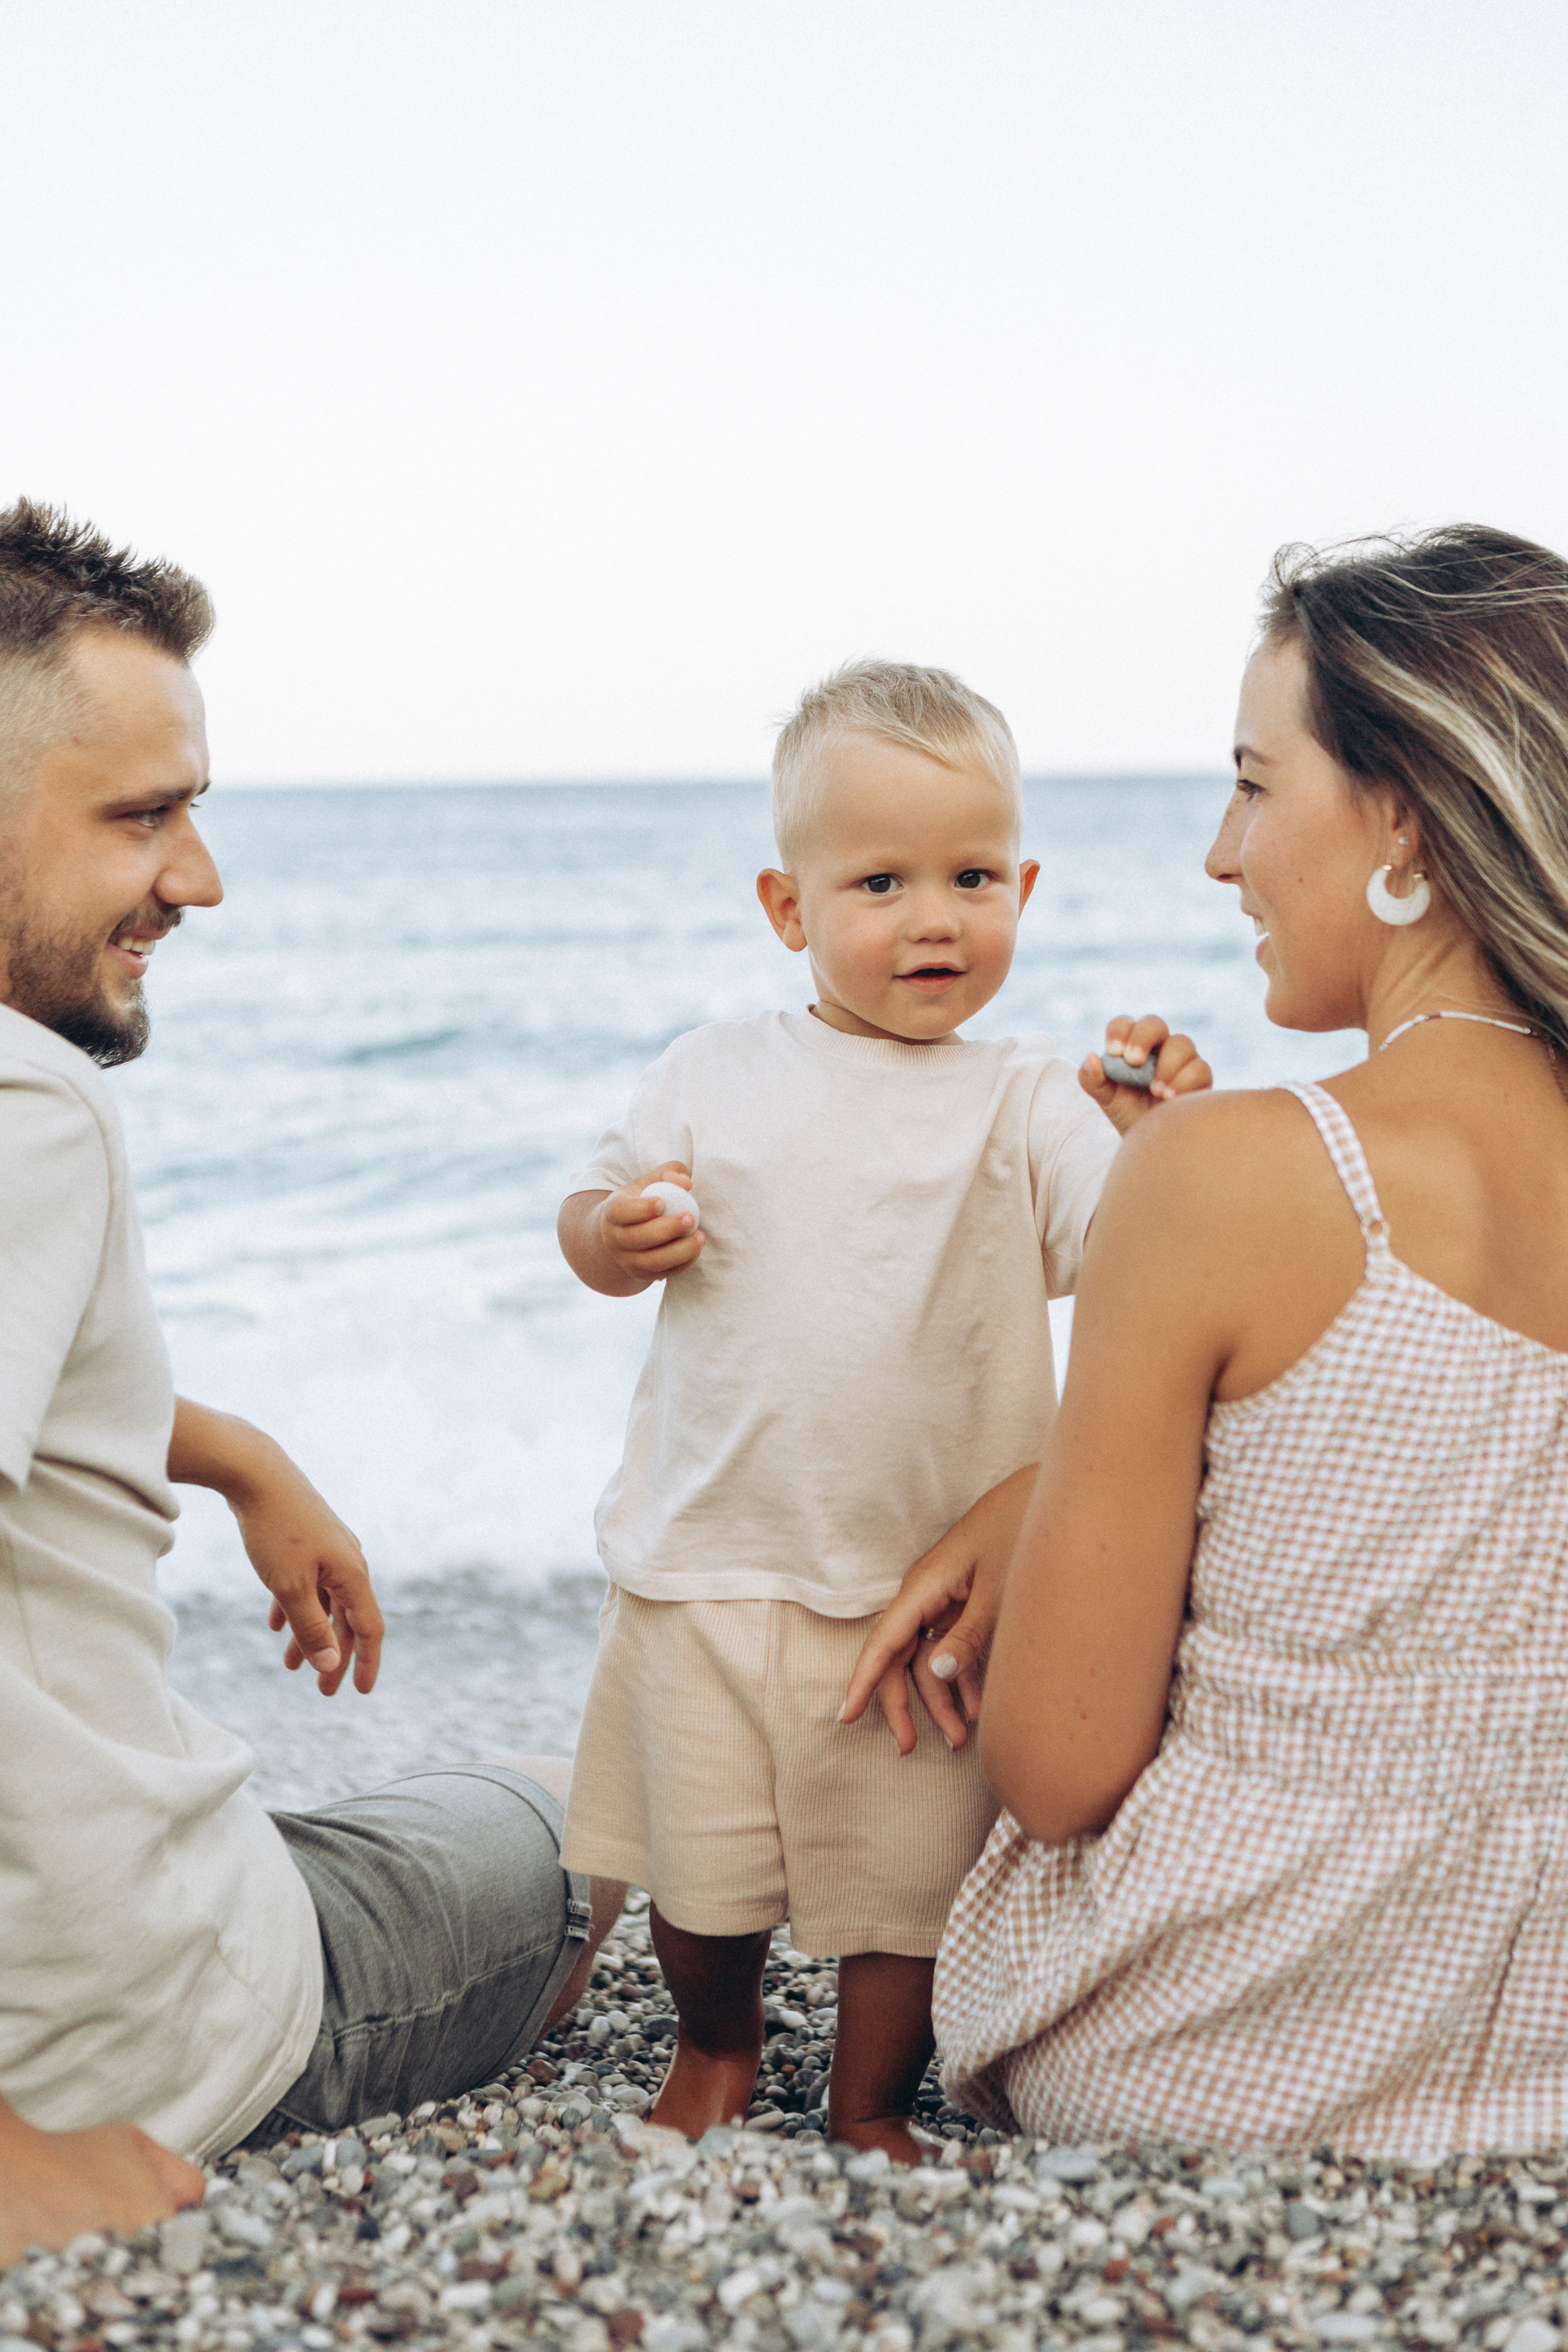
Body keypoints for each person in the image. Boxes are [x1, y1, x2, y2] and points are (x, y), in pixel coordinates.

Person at [868, 524, 1568, 2155]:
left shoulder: (1230, 1172)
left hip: (1235, 2040)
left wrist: (1046, 1505)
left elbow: (1059, 1772)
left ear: (1401, 809)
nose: (1219, 853)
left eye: (1255, 784)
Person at [0, 501, 625, 2264]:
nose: (199, 879)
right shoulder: (26, 1101)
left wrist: (225, 1449)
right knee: (592, 1800)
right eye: (143, 815)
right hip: (139, 2033)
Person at [555, 659, 1210, 2158]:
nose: (935, 915)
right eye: (881, 881)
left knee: (905, 1891)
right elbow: (589, 1210)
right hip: (709, 1558)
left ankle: (868, 2104)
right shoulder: (711, 1070)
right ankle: (716, 2052)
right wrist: (615, 1230)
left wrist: (1158, 1139)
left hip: (924, 1595)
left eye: (974, 875)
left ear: (1025, 886)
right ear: (790, 909)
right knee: (699, 1878)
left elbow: (1136, 1264)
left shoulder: (1027, 1097)